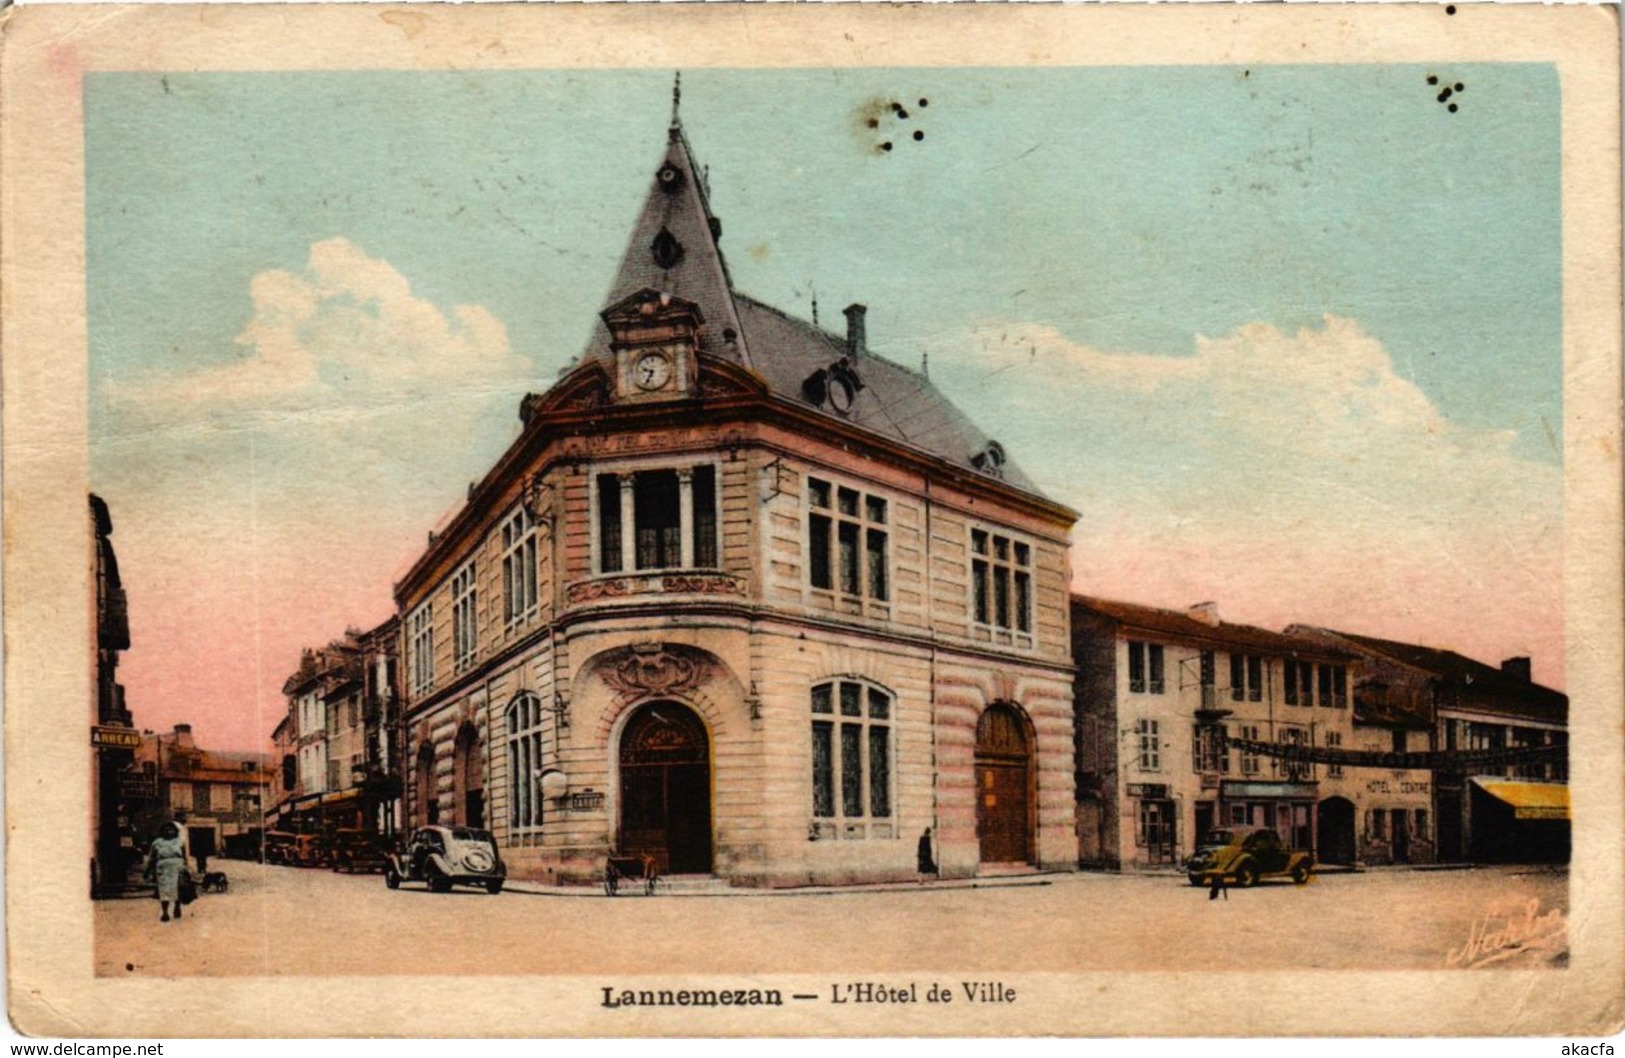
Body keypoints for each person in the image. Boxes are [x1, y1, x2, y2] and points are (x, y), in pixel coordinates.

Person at [144, 821, 189, 922]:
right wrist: (147, 870)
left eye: (171, 830)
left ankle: (177, 907)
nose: (169, 832)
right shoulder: (157, 843)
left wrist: (187, 869)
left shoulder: (180, 841)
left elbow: (185, 857)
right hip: (163, 869)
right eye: (166, 830)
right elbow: (151, 858)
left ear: (175, 831)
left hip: (178, 868)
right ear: (162, 831)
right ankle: (165, 912)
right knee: (164, 890)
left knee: (177, 889)